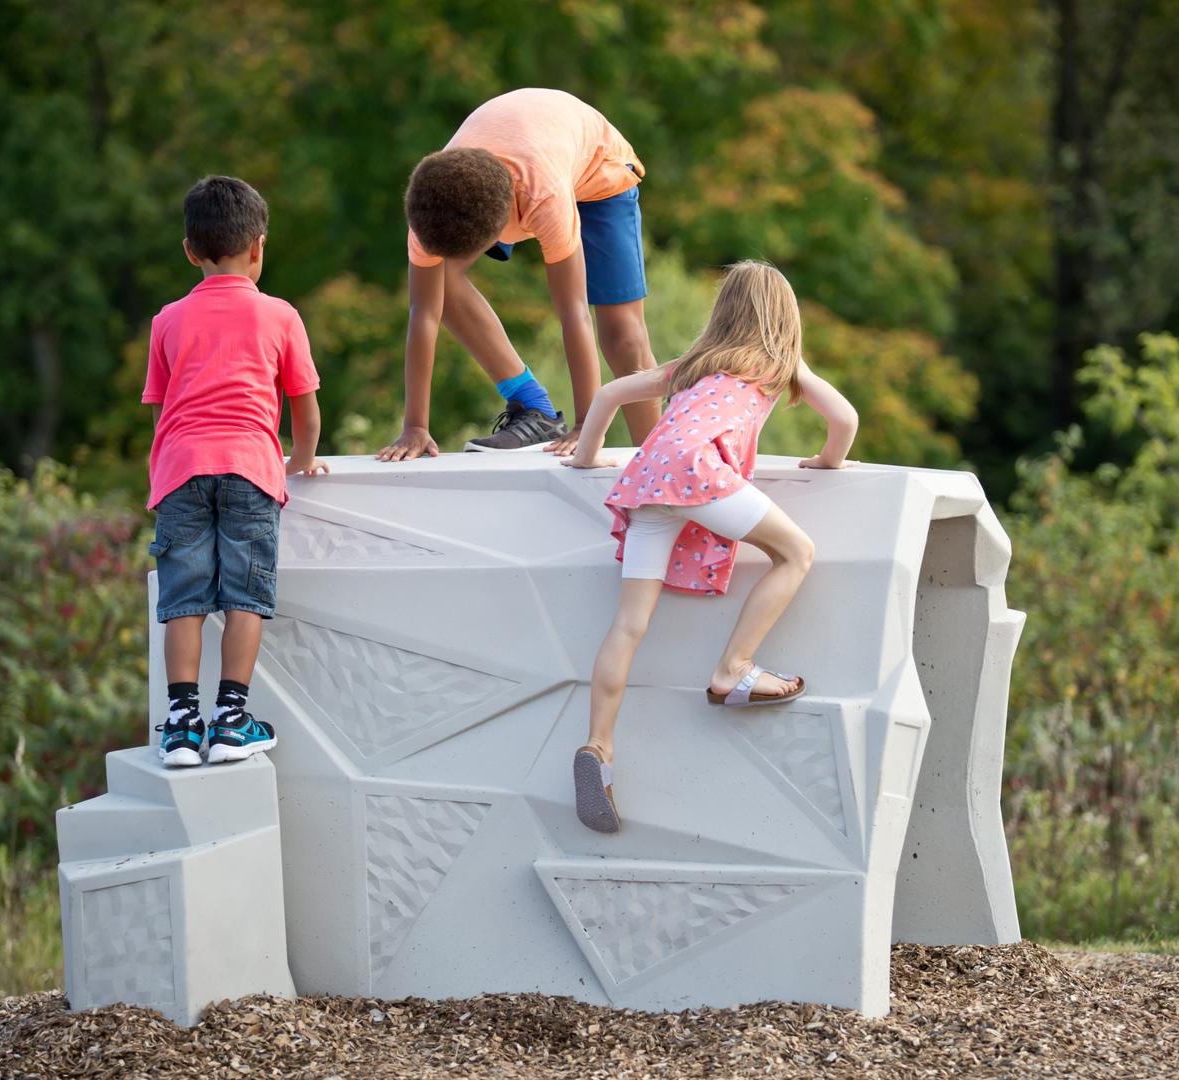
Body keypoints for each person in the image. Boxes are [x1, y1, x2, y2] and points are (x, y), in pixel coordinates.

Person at [558, 261, 860, 832]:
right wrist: (828, 462)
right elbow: (844, 418)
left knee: (628, 625)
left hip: (649, 480)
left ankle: (598, 746)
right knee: (795, 553)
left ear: (724, 311)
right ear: (784, 318)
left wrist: (586, 456)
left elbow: (613, 392)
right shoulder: (778, 365)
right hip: (699, 475)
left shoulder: (692, 367)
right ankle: (733, 668)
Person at [142, 175, 328, 767]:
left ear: (190, 251)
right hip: (250, 468)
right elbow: (304, 405)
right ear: (259, 248)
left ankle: (179, 725)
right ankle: (230, 719)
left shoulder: (167, 319)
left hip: (180, 471)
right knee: (246, 595)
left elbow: (161, 412)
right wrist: (299, 460)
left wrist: (170, 465)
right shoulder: (280, 315)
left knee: (184, 600)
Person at [376, 87, 662, 460]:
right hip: (508, 158)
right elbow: (424, 313)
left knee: (622, 336)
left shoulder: (543, 196)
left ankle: (658, 464)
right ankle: (534, 408)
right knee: (440, 282)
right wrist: (415, 426)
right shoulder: (429, 204)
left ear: (504, 225)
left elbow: (574, 312)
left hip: (597, 171)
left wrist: (585, 425)